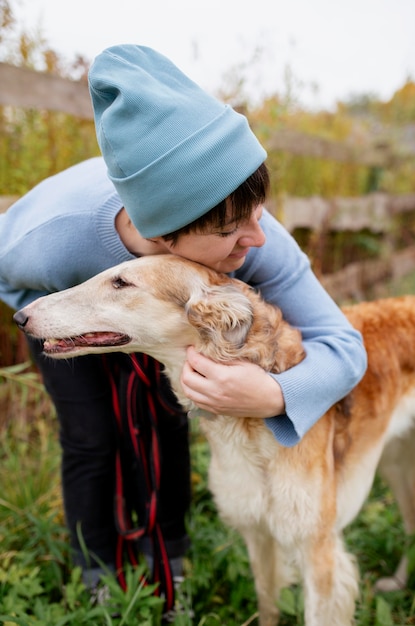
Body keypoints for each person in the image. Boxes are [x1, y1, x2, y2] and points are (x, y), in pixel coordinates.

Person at [0, 44, 367, 617]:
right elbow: (16, 289)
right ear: (167, 234)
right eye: (230, 230)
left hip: (167, 310)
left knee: (169, 419)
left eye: (258, 212)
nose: (257, 238)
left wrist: (274, 395)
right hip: (58, 309)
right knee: (92, 434)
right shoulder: (51, 240)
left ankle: (171, 555)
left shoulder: (251, 242)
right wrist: (94, 334)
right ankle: (97, 570)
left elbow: (345, 348)